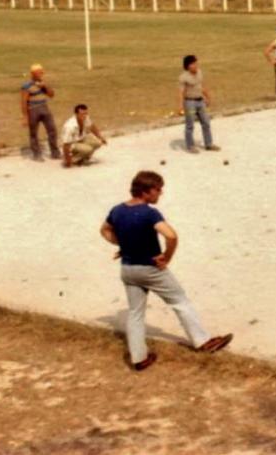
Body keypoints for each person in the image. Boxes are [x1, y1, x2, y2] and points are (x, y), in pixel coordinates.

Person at [100, 170, 233, 370]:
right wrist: (167, 258)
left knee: (136, 313)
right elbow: (171, 236)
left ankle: (139, 358)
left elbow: (104, 230)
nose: (160, 193)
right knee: (180, 301)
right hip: (150, 269)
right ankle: (203, 341)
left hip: (128, 269)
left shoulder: (117, 210)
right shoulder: (149, 212)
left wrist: (125, 246)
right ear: (146, 191)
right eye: (158, 189)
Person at [178, 55, 219, 152]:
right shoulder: (183, 77)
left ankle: (209, 144)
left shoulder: (199, 72)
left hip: (200, 101)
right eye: (194, 64)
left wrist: (208, 97)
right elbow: (181, 92)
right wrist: (180, 106)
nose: (196, 65)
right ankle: (190, 146)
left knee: (206, 123)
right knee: (190, 125)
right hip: (190, 103)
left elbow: (202, 86)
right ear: (188, 66)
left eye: (196, 63)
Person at [21, 64, 59, 162]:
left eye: (42, 72)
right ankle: (36, 154)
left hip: (44, 107)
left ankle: (55, 152)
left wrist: (45, 86)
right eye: (39, 72)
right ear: (33, 73)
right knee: (34, 133)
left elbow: (51, 95)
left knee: (52, 130)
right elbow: (24, 102)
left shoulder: (42, 83)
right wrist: (25, 116)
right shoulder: (26, 86)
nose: (41, 74)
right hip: (33, 109)